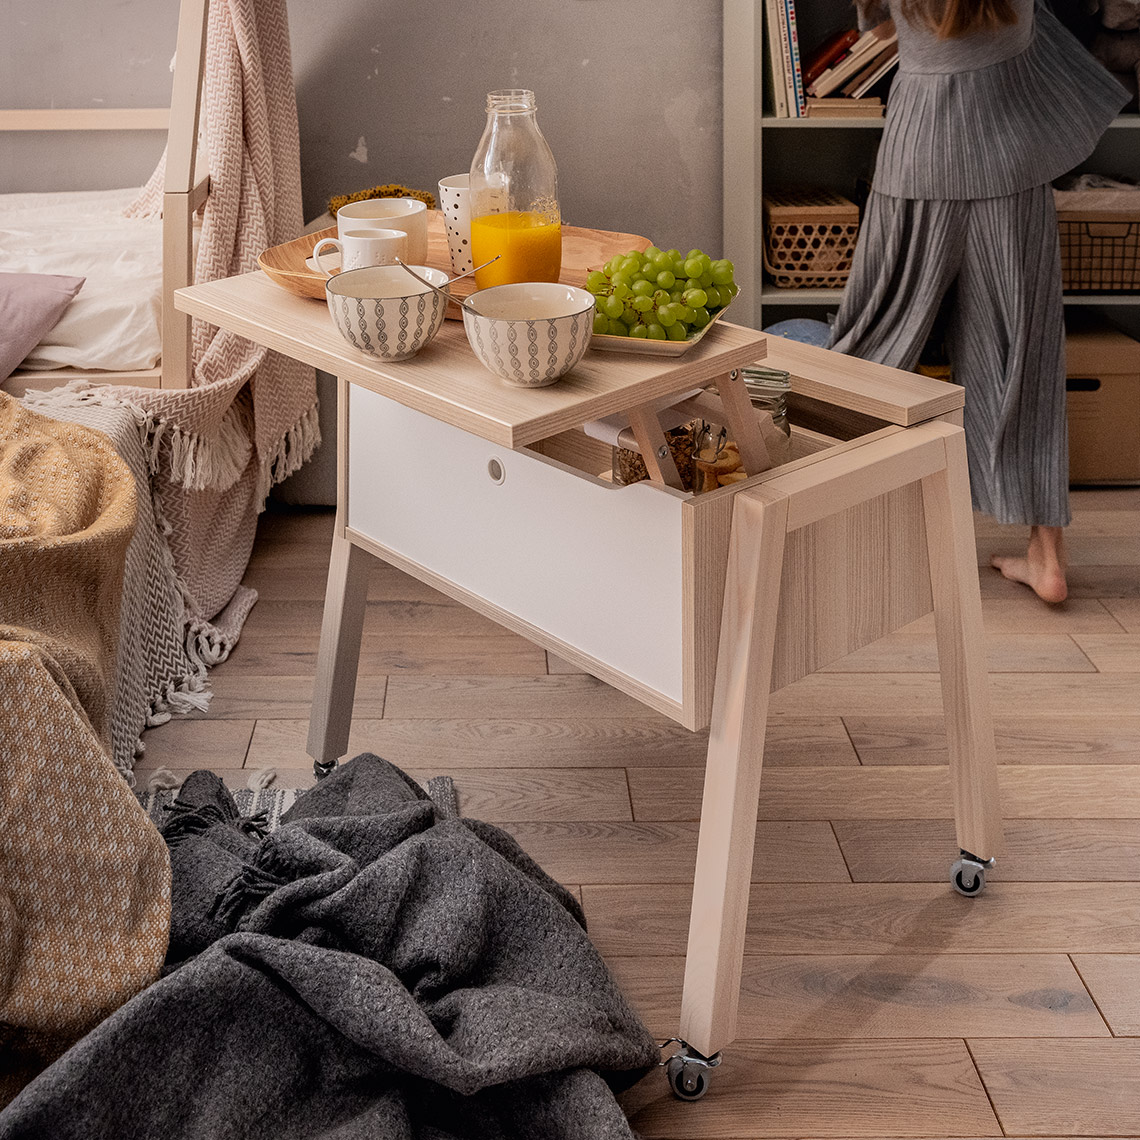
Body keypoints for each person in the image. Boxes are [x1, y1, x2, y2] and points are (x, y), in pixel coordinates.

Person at [828, 0, 1129, 603]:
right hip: (1011, 164)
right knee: (1023, 354)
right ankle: (1047, 558)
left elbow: (873, 24)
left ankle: (822, 522)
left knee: (872, 342)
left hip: (920, 160)